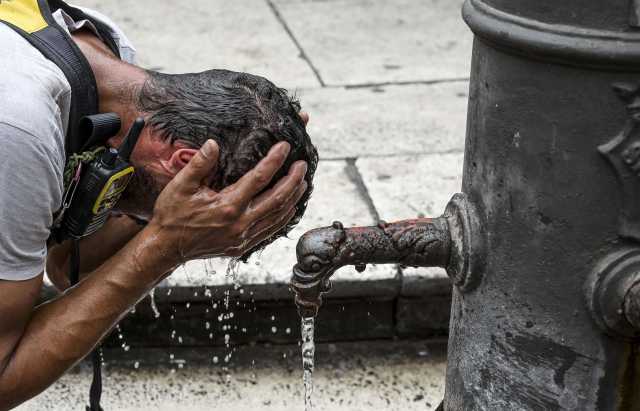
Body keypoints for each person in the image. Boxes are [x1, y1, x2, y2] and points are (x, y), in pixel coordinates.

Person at [0, 3, 317, 410]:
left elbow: (67, 267)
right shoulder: (20, 132)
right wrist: (170, 244)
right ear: (184, 161)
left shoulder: (98, 49)